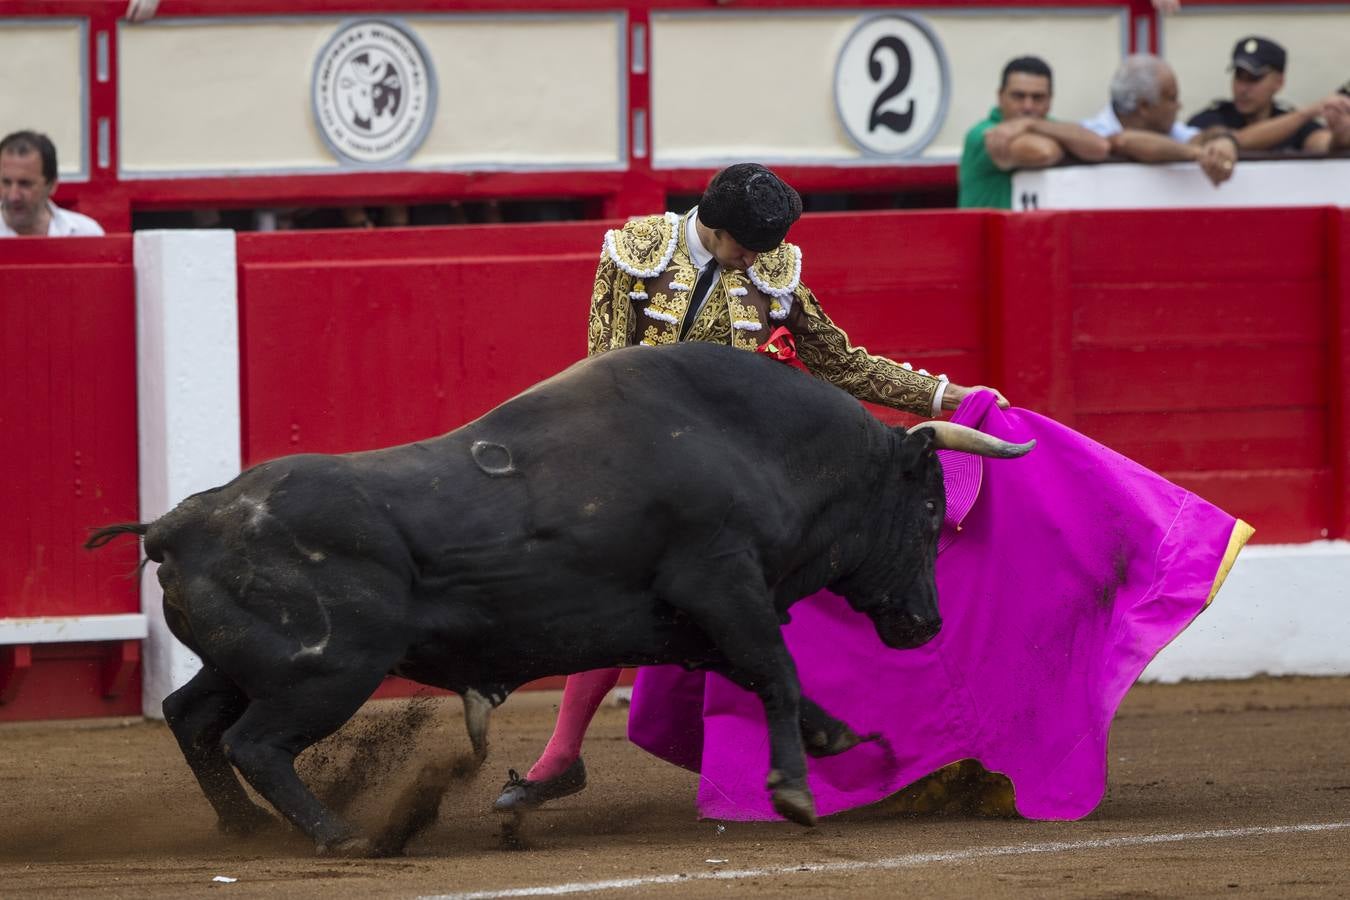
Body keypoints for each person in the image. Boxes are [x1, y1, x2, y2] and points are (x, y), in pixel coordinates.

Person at [494, 162, 1009, 812]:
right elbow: (601, 371)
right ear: (711, 226)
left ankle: (850, 751)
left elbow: (841, 363)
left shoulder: (772, 268)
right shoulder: (636, 254)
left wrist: (944, 394)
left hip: (737, 479)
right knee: (617, 597)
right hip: (640, 464)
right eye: (746, 247)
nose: (755, 261)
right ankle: (566, 752)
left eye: (765, 250)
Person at [959, 56, 1110, 209]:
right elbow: (1043, 152)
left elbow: (1101, 147)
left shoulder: (1043, 125)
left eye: (1038, 98)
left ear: (1050, 100)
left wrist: (1030, 123)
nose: (1028, 106)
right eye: (1018, 96)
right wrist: (1068, 144)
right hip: (990, 232)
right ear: (1000, 96)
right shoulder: (983, 133)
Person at [1081, 55, 1240, 188]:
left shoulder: (1167, 129)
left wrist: (1224, 140)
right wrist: (1196, 153)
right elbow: (1124, 141)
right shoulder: (1092, 131)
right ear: (1144, 106)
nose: (1179, 106)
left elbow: (1203, 136)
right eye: (1172, 98)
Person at [1187, 36, 1350, 153]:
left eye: (1254, 79)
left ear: (1279, 82)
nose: (1243, 88)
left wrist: (1340, 134)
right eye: (1239, 77)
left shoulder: (1292, 121)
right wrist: (1308, 112)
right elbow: (1231, 140)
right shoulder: (1211, 118)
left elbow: (1323, 144)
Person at [0, 131, 104, 237]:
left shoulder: (86, 234)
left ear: (51, 185)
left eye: (25, 184)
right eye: (6, 183)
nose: (13, 196)